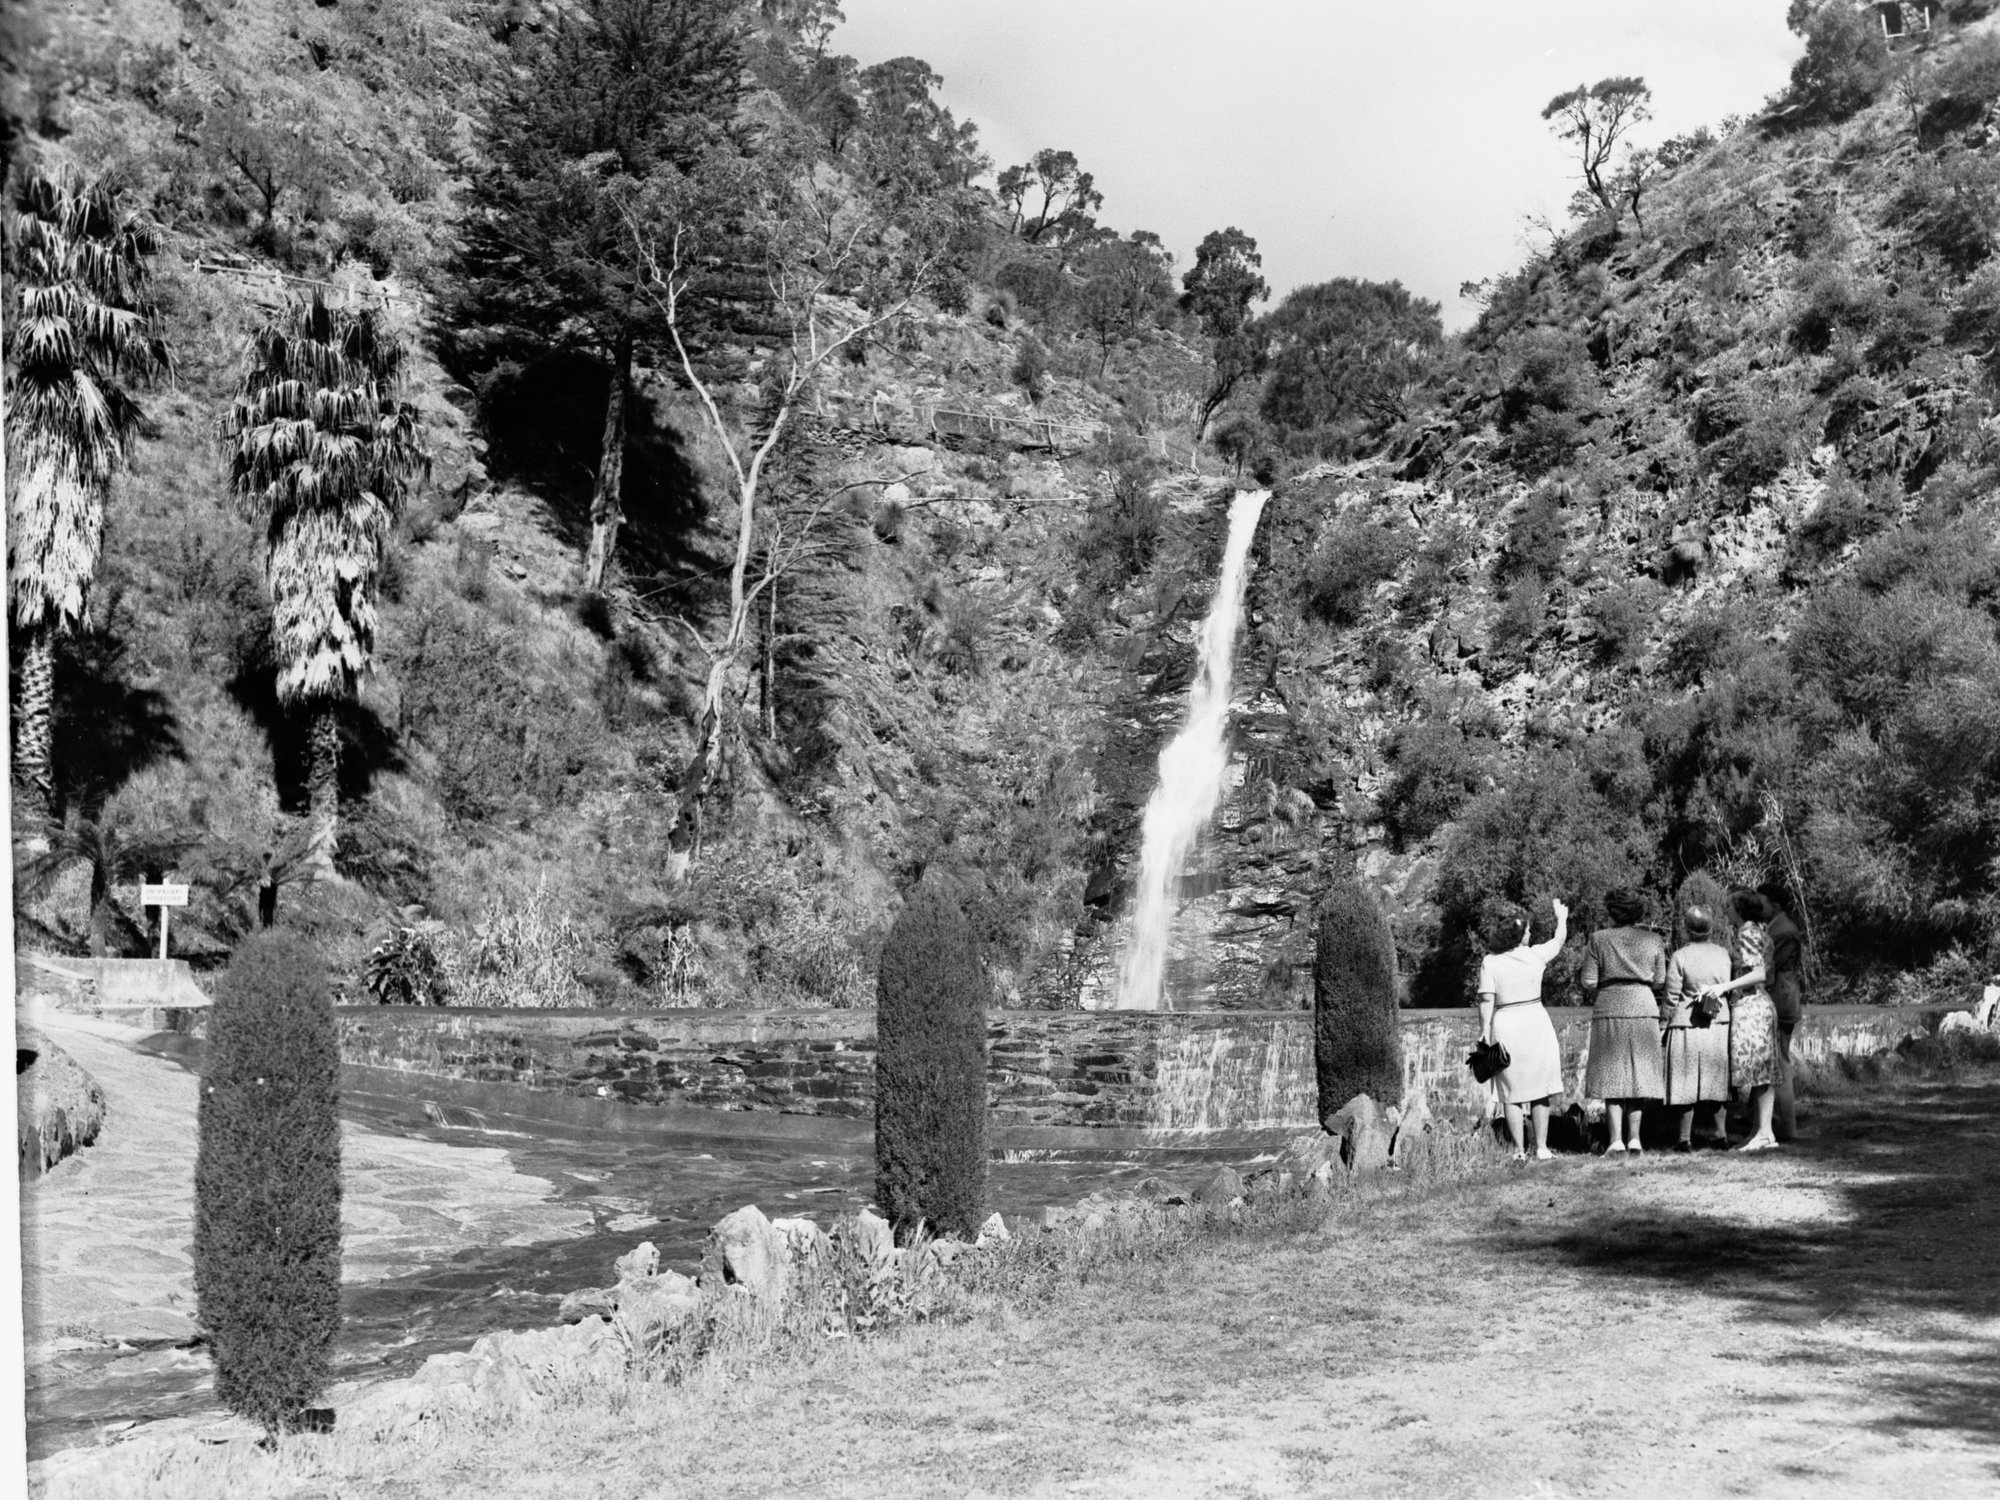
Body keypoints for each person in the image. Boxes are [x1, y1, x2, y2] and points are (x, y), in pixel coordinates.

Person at [1477, 896, 1570, 1162]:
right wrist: (1561, 918)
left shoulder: (1490, 963)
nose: (1530, 933)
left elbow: (1486, 999)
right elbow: (1559, 940)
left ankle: (1519, 1149)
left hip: (1505, 1024)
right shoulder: (1535, 956)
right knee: (1539, 1088)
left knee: (1511, 1091)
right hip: (1535, 1021)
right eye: (1527, 930)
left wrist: (1484, 1030)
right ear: (1519, 935)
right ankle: (1541, 1146)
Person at [1580, 888, 1668, 1155]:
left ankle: (1615, 1140)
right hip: (1643, 1006)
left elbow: (1588, 980)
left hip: (1610, 1005)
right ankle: (1635, 1139)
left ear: (1612, 912)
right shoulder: (1654, 940)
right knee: (1638, 1075)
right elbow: (1660, 980)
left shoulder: (1598, 939)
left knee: (1611, 1073)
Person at [1703, 889, 1780, 1151]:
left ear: (1740, 908)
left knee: (1760, 1072)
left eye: (1729, 905)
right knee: (1761, 1072)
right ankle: (1761, 1132)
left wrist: (1725, 987)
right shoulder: (1761, 932)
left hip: (1752, 1006)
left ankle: (1765, 1133)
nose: (1726, 909)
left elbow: (1758, 973)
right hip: (1760, 1003)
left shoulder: (1748, 933)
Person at [1663, 905, 1732, 1152]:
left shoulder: (1680, 956)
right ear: (1711, 928)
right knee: (1717, 1079)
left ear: (1687, 928)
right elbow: (1727, 986)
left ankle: (1684, 1138)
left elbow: (1671, 996)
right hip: (1717, 1020)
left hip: (1686, 1023)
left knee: (1685, 1079)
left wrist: (1663, 1023)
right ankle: (1720, 1134)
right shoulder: (1723, 954)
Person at [1758, 880, 1805, 1143]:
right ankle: (1777, 1123)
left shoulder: (1783, 931)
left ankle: (1788, 1127)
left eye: (1762, 902)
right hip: (1781, 998)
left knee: (1780, 1063)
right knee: (1777, 1061)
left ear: (1774, 905)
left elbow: (1770, 969)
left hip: (1781, 1000)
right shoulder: (1777, 927)